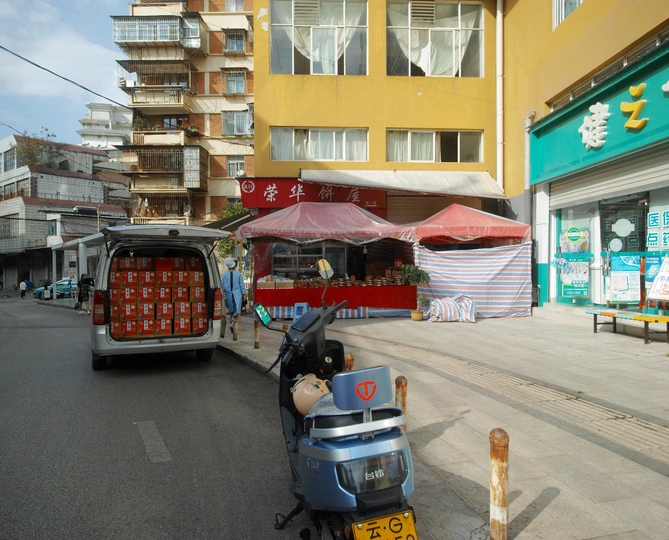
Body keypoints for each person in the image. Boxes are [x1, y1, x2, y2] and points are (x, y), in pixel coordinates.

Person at [221, 258, 246, 335]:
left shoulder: (224, 275)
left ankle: (232, 322)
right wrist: (244, 293)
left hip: (228, 294)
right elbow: (241, 284)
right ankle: (233, 323)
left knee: (231, 310)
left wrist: (224, 292)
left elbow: (222, 286)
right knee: (237, 309)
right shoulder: (238, 274)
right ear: (234, 266)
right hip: (237, 294)